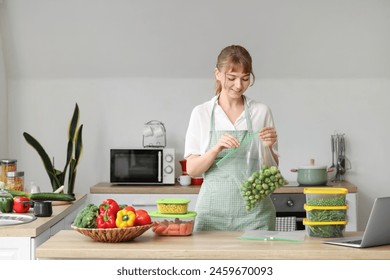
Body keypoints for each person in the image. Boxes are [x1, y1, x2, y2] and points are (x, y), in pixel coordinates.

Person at [184, 45, 279, 231]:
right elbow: (192, 170)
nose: (238, 85)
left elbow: (271, 172)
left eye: (245, 79)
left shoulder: (261, 112)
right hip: (212, 216)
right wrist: (215, 149)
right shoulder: (202, 113)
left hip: (256, 216)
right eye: (231, 78)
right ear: (217, 74)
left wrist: (267, 147)